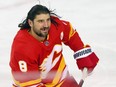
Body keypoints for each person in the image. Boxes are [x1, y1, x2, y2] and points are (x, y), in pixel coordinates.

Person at [9, 4, 99, 87]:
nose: (46, 25)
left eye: (48, 20)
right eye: (40, 21)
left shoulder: (55, 26)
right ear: (30, 23)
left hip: (60, 78)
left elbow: (69, 32)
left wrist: (81, 51)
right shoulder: (22, 48)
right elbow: (30, 84)